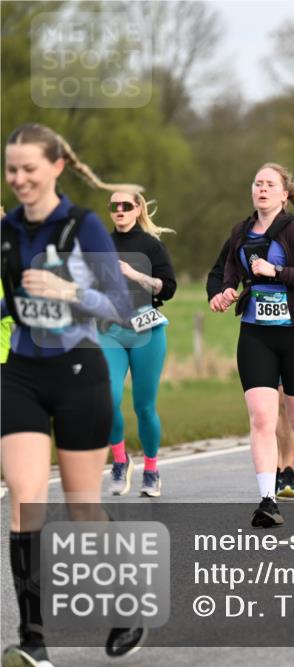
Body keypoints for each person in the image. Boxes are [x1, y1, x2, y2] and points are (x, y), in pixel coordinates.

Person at [1, 123, 146, 665]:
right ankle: (34, 640)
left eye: (29, 169)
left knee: (81, 505)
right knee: (25, 500)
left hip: (80, 372)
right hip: (20, 372)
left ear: (57, 167)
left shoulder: (85, 226)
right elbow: (12, 303)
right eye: (11, 169)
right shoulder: (8, 231)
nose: (18, 179)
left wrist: (70, 290)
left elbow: (120, 308)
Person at [209, 162, 294, 528]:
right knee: (262, 418)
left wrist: (276, 272)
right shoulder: (240, 231)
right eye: (257, 183)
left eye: (270, 184)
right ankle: (267, 499)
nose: (262, 189)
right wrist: (221, 292)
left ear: (284, 194)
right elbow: (221, 272)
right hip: (256, 334)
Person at [102, 191, 177, 498]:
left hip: (146, 329)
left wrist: (134, 274)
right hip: (109, 330)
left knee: (144, 406)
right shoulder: (100, 244)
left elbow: (168, 287)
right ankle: (120, 461)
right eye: (114, 206)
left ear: (137, 210)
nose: (119, 210)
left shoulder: (151, 245)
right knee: (106, 399)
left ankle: (151, 469)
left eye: (126, 206)